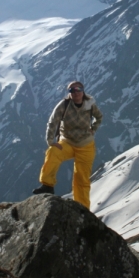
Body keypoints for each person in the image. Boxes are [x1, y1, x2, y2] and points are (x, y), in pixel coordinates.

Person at [33, 81, 103, 209]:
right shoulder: (64, 105)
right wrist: (51, 142)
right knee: (53, 152)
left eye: (78, 89)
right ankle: (47, 185)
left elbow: (99, 117)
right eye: (72, 90)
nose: (76, 92)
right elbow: (52, 122)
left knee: (82, 179)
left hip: (86, 145)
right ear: (69, 93)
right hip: (67, 142)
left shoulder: (90, 105)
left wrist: (94, 128)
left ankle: (82, 208)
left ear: (83, 91)